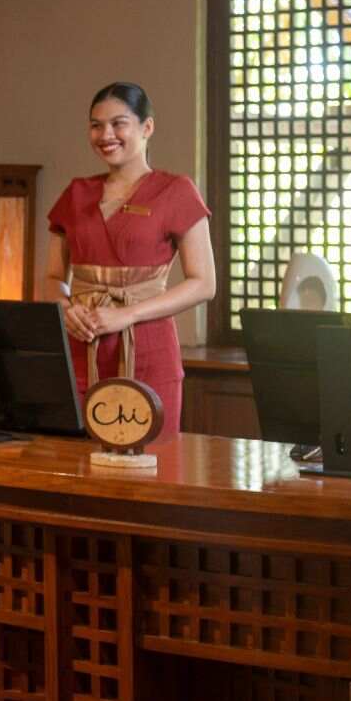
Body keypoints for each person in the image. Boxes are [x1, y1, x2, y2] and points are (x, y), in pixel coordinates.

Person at [43, 82, 216, 439]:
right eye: (96, 125)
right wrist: (64, 307)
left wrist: (127, 315)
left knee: (151, 460)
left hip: (148, 347)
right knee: (73, 461)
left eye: (118, 123)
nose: (105, 135)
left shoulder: (175, 191)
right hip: (81, 343)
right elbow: (52, 277)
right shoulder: (76, 194)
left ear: (147, 127)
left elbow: (204, 284)